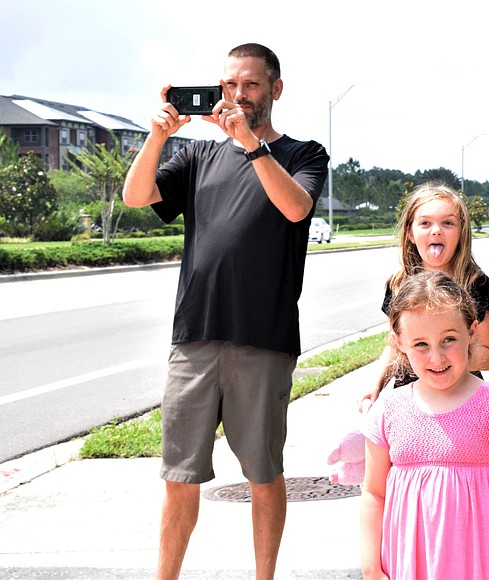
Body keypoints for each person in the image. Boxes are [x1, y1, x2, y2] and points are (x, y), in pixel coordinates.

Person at [122, 43, 329, 580]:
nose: (238, 94)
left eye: (251, 84)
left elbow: (295, 207)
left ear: (275, 90)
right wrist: (158, 137)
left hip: (263, 340)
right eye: (230, 84)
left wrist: (252, 145)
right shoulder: (194, 155)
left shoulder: (304, 154)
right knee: (179, 475)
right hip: (194, 337)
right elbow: (136, 196)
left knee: (263, 471)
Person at [360, 270, 489, 579]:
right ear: (399, 342)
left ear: (472, 331)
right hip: (408, 569)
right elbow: (373, 493)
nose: (437, 356)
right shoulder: (388, 411)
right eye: (421, 344)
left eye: (449, 339)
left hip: (481, 569)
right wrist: (372, 570)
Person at [367, 183, 489, 399]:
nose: (436, 230)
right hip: (409, 398)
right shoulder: (398, 284)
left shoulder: (475, 283)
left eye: (448, 223)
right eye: (425, 223)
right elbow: (396, 345)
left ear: (462, 231)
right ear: (410, 232)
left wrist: (441, 363)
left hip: (462, 397)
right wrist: (376, 383)